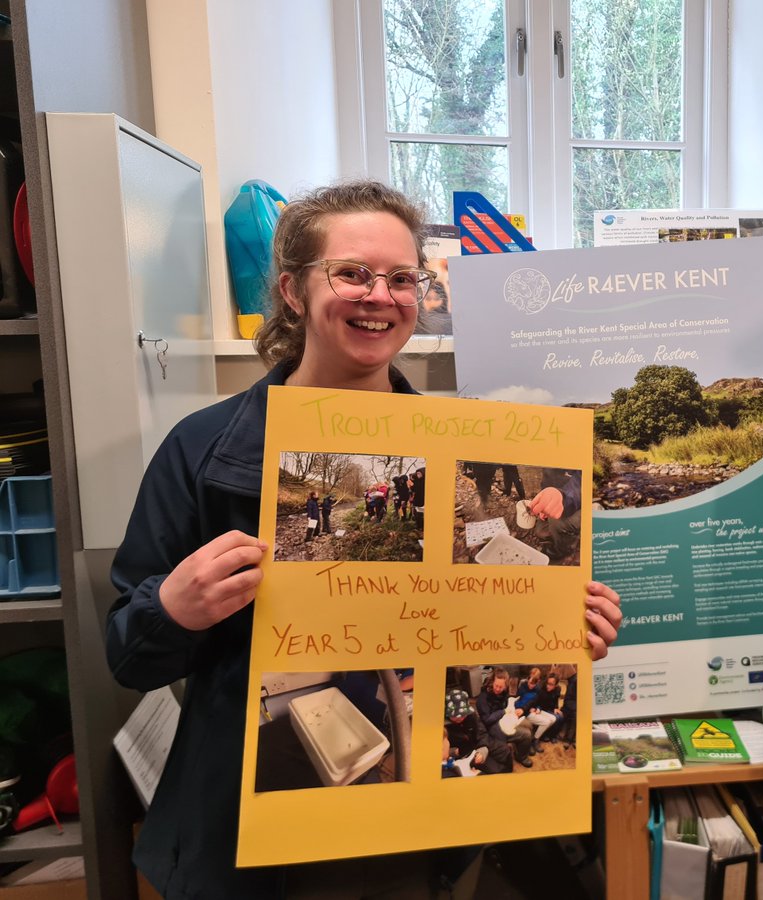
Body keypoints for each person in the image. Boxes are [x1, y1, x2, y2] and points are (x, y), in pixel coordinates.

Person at [105, 180, 623, 898]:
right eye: (351, 273)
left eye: (401, 278)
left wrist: (561, 629)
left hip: (415, 839)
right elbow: (126, 654)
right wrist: (174, 608)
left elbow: (467, 623)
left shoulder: (458, 446)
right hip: (248, 838)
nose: (379, 295)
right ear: (292, 290)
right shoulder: (201, 449)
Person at [443, 688, 511, 776]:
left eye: (463, 714)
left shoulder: (472, 715)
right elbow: (442, 750)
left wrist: (483, 748)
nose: (460, 718)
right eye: (455, 716)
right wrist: (453, 752)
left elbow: (481, 731)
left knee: (505, 751)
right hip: (465, 754)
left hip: (479, 742)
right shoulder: (444, 727)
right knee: (495, 770)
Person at [475, 668, 533, 768]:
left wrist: (516, 710)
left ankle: (522, 750)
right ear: (492, 681)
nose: (498, 689)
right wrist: (503, 712)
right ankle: (521, 756)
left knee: (528, 724)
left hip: (504, 719)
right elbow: (487, 720)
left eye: (501, 687)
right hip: (492, 726)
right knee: (526, 734)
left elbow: (508, 704)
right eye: (496, 685)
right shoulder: (483, 698)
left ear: (505, 685)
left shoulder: (504, 692)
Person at [530, 468, 582, 560]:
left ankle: (564, 549)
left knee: (557, 523)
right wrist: (546, 497)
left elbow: (582, 483)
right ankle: (555, 539)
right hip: (559, 494)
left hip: (580, 504)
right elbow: (547, 479)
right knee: (540, 532)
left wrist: (563, 497)